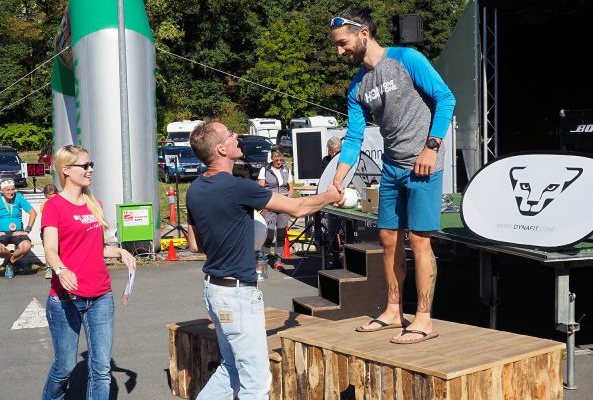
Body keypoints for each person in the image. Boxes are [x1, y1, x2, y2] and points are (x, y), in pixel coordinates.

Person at [186, 120, 341, 399]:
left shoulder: (195, 189)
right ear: (221, 149)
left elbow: (195, 244)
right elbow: (296, 208)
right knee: (256, 385)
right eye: (231, 134)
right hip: (236, 295)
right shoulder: (237, 187)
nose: (236, 137)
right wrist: (330, 195)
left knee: (231, 369)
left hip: (215, 290)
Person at [330, 7, 456, 344]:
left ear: (364, 34)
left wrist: (432, 147)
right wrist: (339, 178)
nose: (340, 51)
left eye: (343, 43)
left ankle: (424, 318)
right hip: (392, 167)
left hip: (423, 163)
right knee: (387, 238)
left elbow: (446, 98)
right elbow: (354, 138)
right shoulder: (357, 86)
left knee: (419, 240)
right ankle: (392, 310)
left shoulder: (406, 58)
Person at [41, 145, 136, 400]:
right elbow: (50, 249)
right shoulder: (54, 206)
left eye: (91, 164)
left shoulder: (95, 204)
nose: (90, 169)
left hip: (100, 296)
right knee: (65, 367)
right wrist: (61, 269)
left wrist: (120, 252)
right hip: (65, 300)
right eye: (85, 165)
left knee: (102, 369)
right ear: (66, 170)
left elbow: (97, 247)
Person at [257, 147, 294, 271]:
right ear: (272, 159)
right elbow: (261, 187)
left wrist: (290, 195)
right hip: (270, 203)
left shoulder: (286, 169)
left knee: (281, 233)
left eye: (281, 160)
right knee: (269, 233)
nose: (279, 162)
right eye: (276, 160)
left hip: (283, 203)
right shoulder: (265, 169)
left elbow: (291, 187)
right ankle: (264, 257)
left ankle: (278, 260)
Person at [0, 178, 37, 278]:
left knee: (27, 246)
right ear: (2, 191)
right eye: (8, 190)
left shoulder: (18, 197)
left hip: (17, 232)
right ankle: (13, 258)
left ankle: (11, 263)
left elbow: (33, 213)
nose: (11, 192)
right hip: (0, 233)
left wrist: (27, 230)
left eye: (13, 189)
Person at [321, 136, 344, 268]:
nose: (335, 154)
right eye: (333, 152)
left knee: (348, 230)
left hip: (344, 196)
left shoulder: (345, 160)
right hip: (332, 199)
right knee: (332, 230)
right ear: (329, 151)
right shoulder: (325, 161)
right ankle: (335, 259)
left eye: (337, 151)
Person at [40, 183, 59, 279]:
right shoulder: (44, 205)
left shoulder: (61, 203)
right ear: (45, 195)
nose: (52, 196)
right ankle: (48, 268)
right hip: (48, 230)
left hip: (60, 230)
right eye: (49, 194)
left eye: (54, 193)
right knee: (49, 249)